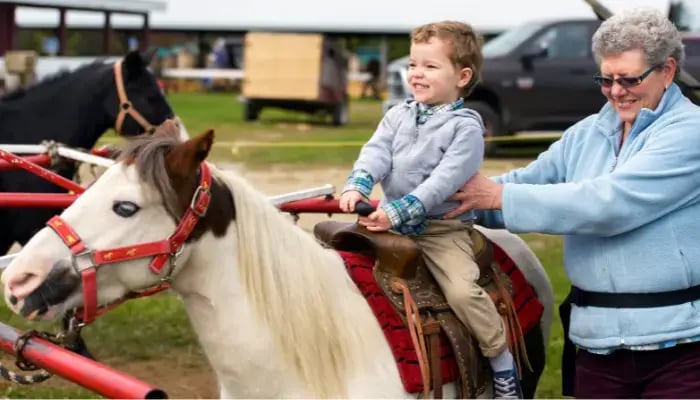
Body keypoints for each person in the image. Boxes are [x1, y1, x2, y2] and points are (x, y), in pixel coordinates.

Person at [446, 8, 700, 398]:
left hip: (681, 350)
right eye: (606, 79)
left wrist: (498, 196)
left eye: (629, 79)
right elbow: (523, 184)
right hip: (594, 346)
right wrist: (439, 199)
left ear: (667, 71)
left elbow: (611, 204)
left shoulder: (690, 133)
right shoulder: (587, 133)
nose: (617, 91)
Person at [339, 21, 522, 399]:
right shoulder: (396, 115)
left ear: (462, 75)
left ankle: (501, 363)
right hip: (389, 222)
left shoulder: (465, 128)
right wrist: (359, 182)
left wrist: (398, 211)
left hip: (440, 230)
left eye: (430, 66)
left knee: (461, 292)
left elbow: (442, 183)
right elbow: (376, 152)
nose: (417, 74)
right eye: (413, 65)